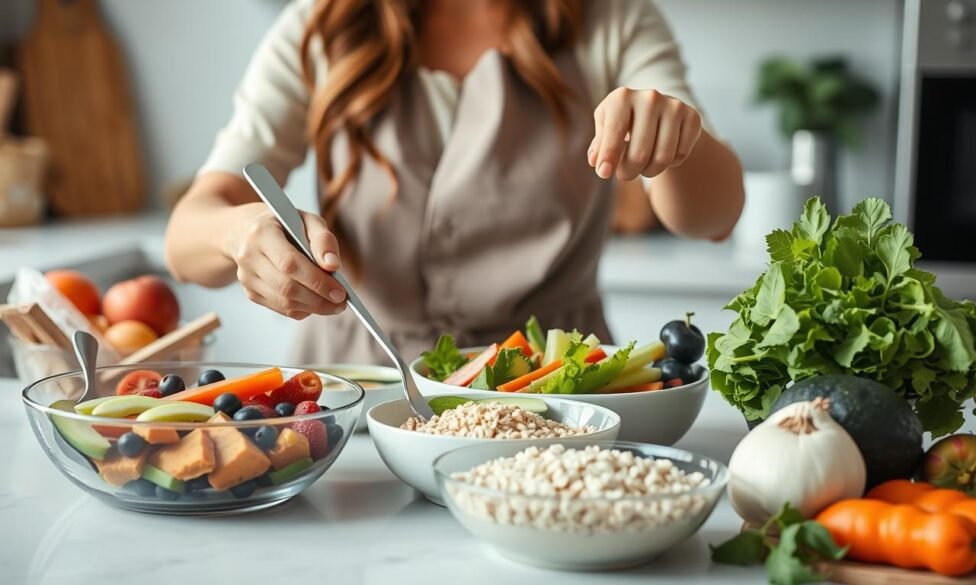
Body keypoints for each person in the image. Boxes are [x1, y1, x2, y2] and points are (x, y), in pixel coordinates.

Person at [165, 0, 744, 364]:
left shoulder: (612, 20)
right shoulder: (321, 25)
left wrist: (671, 136)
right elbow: (186, 238)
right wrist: (240, 231)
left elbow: (714, 217)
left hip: (558, 390)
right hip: (362, 394)